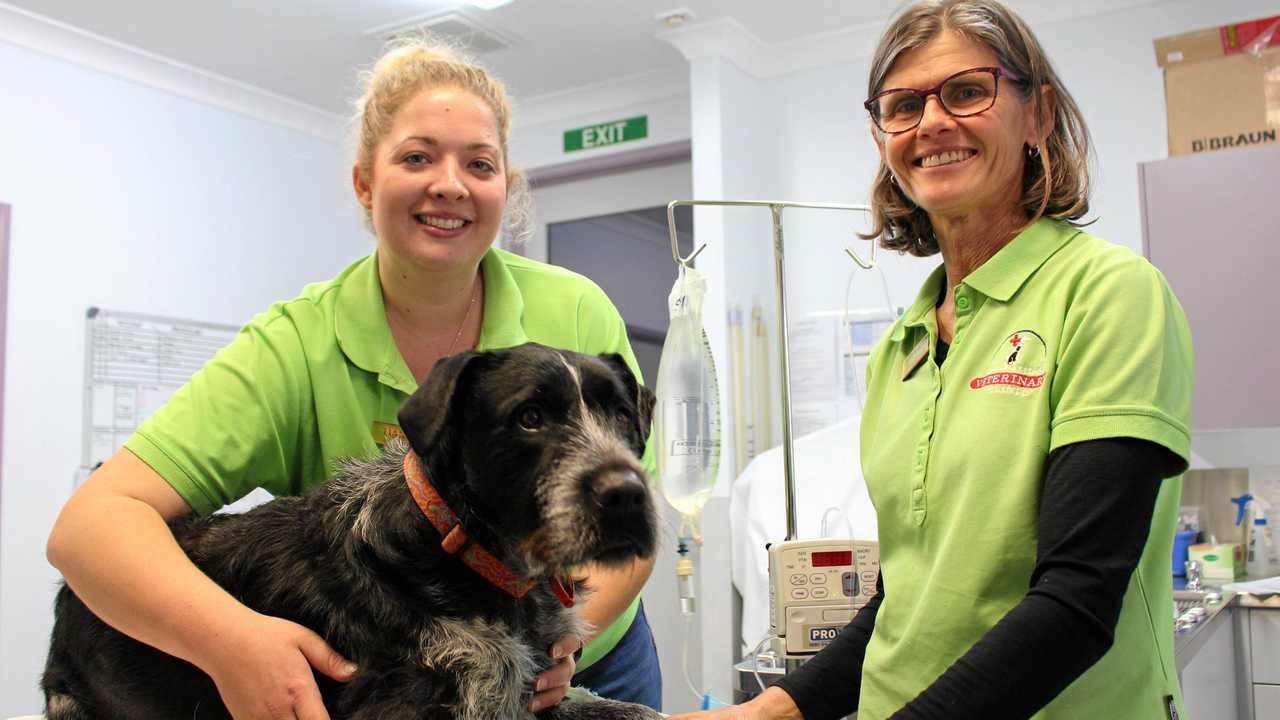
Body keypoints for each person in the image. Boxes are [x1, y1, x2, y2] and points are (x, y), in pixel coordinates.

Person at [46, 38, 662, 719]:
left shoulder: (575, 310)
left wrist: (562, 643)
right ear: (365, 182)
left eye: (479, 164)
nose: (450, 184)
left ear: (504, 190)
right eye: (418, 156)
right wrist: (233, 643)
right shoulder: (295, 343)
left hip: (588, 659)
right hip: (388, 668)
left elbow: (629, 505)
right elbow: (88, 530)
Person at [674, 1, 1193, 718]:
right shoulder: (904, 346)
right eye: (903, 105)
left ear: (1038, 113)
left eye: (967, 91)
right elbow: (905, 597)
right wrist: (773, 709)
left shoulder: (1109, 294)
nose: (933, 123)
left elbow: (1078, 598)